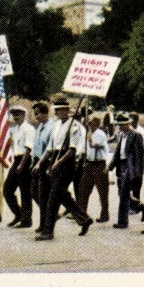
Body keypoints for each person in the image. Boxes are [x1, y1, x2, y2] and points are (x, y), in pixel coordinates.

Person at [35, 96, 93, 241]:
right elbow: (50, 148)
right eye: (57, 110)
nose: (58, 112)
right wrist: (40, 162)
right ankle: (84, 219)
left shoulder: (73, 126)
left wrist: (58, 163)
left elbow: (72, 150)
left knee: (53, 198)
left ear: (67, 110)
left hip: (66, 164)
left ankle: (48, 231)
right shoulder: (56, 125)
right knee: (63, 196)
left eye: (61, 110)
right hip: (54, 159)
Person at [108, 112, 144, 229]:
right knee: (122, 193)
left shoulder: (135, 135)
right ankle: (141, 206)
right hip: (121, 165)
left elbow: (139, 155)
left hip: (129, 166)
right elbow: (117, 153)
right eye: (119, 125)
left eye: (122, 125)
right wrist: (110, 166)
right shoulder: (122, 136)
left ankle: (122, 221)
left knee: (124, 194)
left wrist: (138, 172)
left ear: (128, 124)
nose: (120, 127)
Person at [3, 105, 35, 228]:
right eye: (14, 114)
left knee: (25, 191)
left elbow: (28, 147)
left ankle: (27, 220)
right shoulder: (15, 129)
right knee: (7, 189)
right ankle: (19, 214)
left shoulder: (29, 129)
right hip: (17, 159)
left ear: (23, 115)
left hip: (25, 160)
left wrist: (22, 164)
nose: (15, 117)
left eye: (18, 114)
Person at [78, 115, 110, 223]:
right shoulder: (88, 134)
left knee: (102, 190)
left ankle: (104, 214)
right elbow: (84, 149)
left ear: (96, 123)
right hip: (89, 164)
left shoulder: (100, 134)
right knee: (84, 189)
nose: (89, 124)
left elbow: (93, 145)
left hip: (99, 164)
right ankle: (82, 214)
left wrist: (90, 138)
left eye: (91, 122)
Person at [30, 101, 54, 233]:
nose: (36, 117)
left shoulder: (51, 127)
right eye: (35, 114)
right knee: (35, 192)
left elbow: (49, 149)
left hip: (46, 163)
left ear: (45, 113)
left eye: (38, 114)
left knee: (44, 195)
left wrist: (42, 164)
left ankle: (45, 223)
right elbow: (36, 146)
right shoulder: (40, 127)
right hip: (37, 162)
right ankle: (47, 219)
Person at [129, 111, 144, 209]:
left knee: (137, 183)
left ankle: (136, 205)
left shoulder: (141, 131)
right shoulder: (129, 130)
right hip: (129, 160)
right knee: (129, 183)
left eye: (131, 119)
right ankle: (133, 204)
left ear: (136, 120)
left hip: (138, 159)